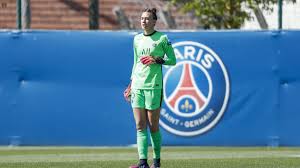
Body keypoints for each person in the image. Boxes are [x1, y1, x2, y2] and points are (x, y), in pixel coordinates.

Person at [123, 8, 176, 168]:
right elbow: (135, 63)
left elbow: (172, 60)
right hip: (138, 86)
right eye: (142, 18)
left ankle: (157, 162)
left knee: (153, 126)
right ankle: (142, 162)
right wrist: (131, 84)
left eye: (147, 18)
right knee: (140, 124)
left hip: (153, 86)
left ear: (154, 21)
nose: (144, 21)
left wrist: (157, 59)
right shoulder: (137, 39)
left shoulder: (162, 38)